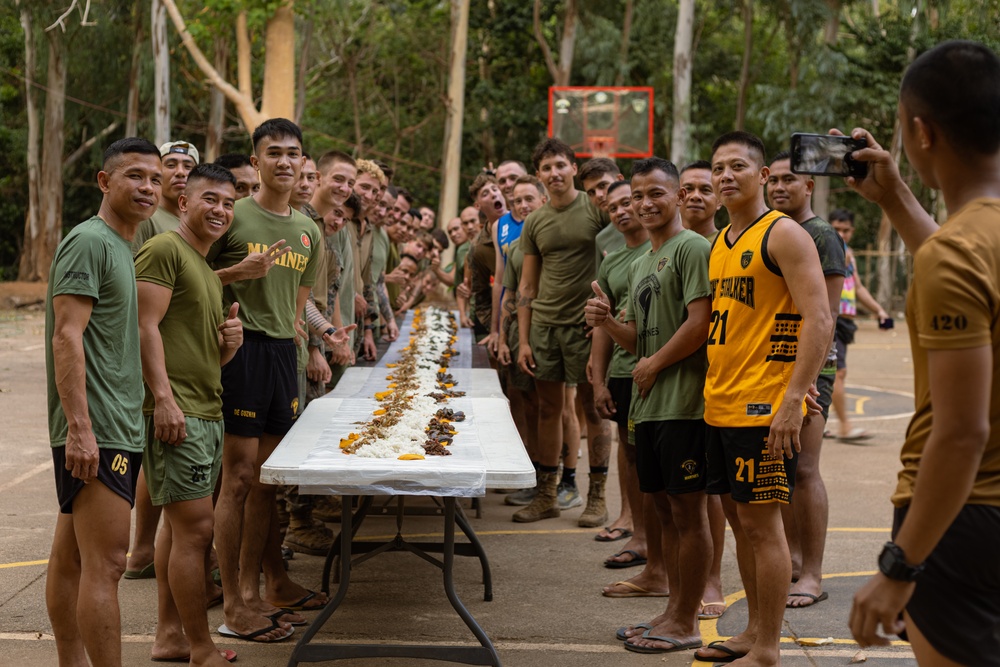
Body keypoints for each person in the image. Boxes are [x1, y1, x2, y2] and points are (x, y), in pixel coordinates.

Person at [844, 40, 1000, 667]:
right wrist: (895, 199)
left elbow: (961, 434)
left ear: (920, 130)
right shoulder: (965, 247)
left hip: (959, 517)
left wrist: (900, 565)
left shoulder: (955, 253)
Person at [694, 131, 832, 665]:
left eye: (737, 167)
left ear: (764, 177)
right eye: (717, 168)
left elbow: (818, 318)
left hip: (763, 408)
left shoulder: (785, 235)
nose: (725, 176)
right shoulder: (720, 243)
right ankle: (752, 630)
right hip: (720, 404)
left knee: (763, 525)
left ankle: (770, 647)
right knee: (738, 523)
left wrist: (797, 395)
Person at [210, 118, 351, 641]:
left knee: (268, 482)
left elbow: (297, 308)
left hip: (283, 360)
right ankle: (232, 604)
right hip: (239, 352)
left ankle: (256, 590)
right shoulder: (232, 216)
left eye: (293, 153)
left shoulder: (308, 230)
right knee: (239, 478)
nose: (285, 162)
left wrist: (323, 335)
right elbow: (190, 275)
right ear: (257, 159)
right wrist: (233, 278)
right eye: (274, 153)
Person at [586, 156, 712, 654]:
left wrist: (656, 362)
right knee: (662, 513)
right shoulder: (640, 262)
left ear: (679, 196)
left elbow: (700, 323)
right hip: (649, 405)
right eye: (637, 196)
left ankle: (687, 620)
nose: (644, 204)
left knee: (688, 516)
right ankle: (671, 609)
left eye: (656, 193)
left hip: (685, 404)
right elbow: (637, 339)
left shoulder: (693, 247)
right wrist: (606, 321)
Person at [44, 137, 161, 667]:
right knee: (109, 563)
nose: (148, 187)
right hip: (100, 429)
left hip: (117, 423)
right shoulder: (89, 241)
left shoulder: (123, 245)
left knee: (72, 558)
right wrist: (80, 428)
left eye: (156, 179)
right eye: (135, 175)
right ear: (104, 181)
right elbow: (66, 336)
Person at [134, 163, 245, 665]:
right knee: (197, 532)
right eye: (210, 200)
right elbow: (143, 327)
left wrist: (228, 346)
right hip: (179, 413)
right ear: (183, 203)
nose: (220, 210)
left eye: (228, 203)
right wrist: (163, 400)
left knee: (178, 531)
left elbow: (199, 352)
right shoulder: (165, 250)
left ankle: (170, 636)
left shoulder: (202, 266)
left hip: (204, 409)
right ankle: (199, 647)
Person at [515, 137, 612, 526]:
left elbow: (617, 261)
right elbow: (526, 286)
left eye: (560, 165)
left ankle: (597, 496)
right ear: (538, 176)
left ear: (574, 167)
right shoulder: (535, 221)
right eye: (546, 168)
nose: (554, 173)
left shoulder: (594, 208)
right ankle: (546, 495)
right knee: (548, 409)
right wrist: (523, 340)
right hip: (544, 328)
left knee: (591, 407)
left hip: (586, 327)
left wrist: (606, 323)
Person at [767, 151, 848, 609]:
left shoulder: (821, 236)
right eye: (773, 180)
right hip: (777, 369)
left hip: (812, 370)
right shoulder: (776, 232)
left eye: (790, 180)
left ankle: (812, 573)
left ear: (809, 186)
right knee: (783, 470)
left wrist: (810, 381)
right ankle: (793, 558)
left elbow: (826, 316)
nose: (780, 187)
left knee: (806, 470)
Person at [125, 139, 202, 581]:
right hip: (158, 351)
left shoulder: (186, 219)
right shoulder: (154, 223)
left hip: (184, 349)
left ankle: (154, 550)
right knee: (155, 453)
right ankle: (141, 550)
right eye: (167, 165)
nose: (176, 172)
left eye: (184, 166)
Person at [588, 180, 665, 591]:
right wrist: (598, 379)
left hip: (655, 372)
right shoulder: (614, 258)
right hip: (621, 371)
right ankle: (638, 535)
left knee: (655, 465)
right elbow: (603, 323)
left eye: (628, 202)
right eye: (615, 206)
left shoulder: (670, 250)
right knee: (632, 454)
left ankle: (657, 550)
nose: (621, 211)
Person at [678, 159, 728, 620]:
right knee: (678, 492)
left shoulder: (725, 246)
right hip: (675, 381)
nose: (695, 196)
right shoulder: (666, 246)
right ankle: (676, 577)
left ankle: (712, 577)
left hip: (717, 380)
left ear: (718, 198)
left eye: (704, 189)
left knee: (711, 489)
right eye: (687, 188)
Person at [497, 176, 548, 507]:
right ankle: (530, 471)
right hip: (520, 335)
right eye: (517, 201)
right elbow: (509, 295)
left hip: (551, 332)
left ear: (543, 200)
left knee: (553, 408)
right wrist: (503, 337)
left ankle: (554, 479)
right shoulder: (514, 247)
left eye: (530, 198)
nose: (523, 205)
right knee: (526, 405)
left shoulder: (557, 239)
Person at [827, 208, 889, 441]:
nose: (841, 234)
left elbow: (858, 287)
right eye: (836, 229)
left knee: (826, 374)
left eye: (846, 230)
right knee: (837, 373)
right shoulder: (827, 249)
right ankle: (844, 426)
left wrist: (878, 310)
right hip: (830, 320)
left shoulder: (848, 252)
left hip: (845, 322)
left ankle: (816, 423)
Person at [131, 140, 199, 254]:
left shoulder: (199, 223)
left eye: (188, 166)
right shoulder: (146, 217)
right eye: (171, 165)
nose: (180, 172)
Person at [579, 157, 626, 259]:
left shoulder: (651, 219)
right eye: (591, 192)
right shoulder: (603, 239)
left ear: (620, 179)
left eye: (602, 185)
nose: (598, 195)